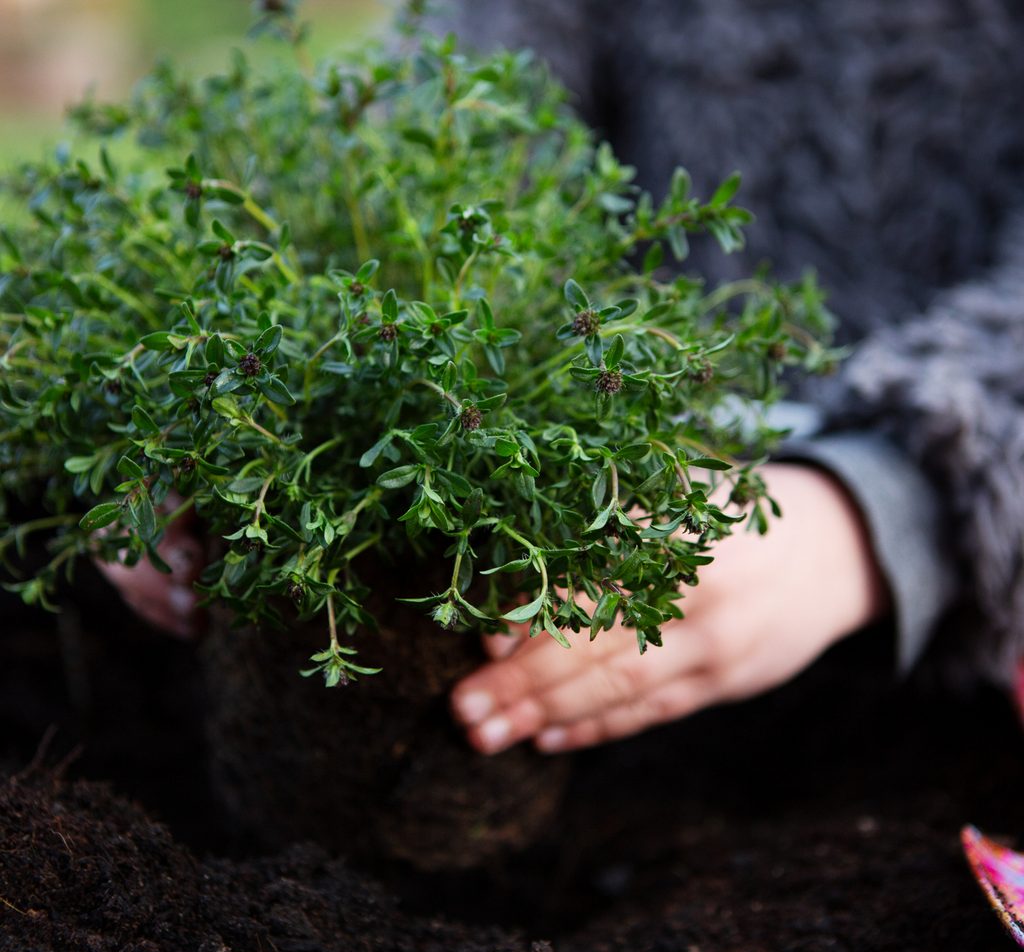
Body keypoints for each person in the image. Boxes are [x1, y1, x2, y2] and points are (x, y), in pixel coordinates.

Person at [104, 0, 1024, 759]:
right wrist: (212, 395)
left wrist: (880, 513)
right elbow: (450, 127)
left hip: (954, 680)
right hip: (605, 601)